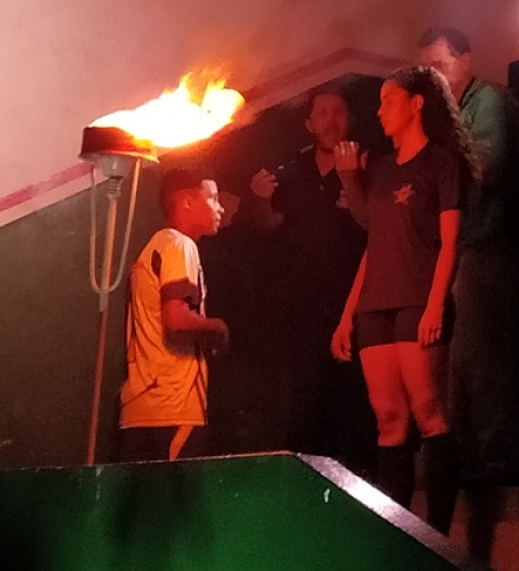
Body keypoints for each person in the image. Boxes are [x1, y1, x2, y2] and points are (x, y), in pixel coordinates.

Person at [331, 67, 472, 534]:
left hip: (417, 299)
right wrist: (347, 316)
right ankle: (399, 533)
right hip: (375, 304)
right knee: (389, 419)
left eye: (388, 100)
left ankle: (438, 534)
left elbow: (450, 243)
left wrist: (436, 305)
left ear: (416, 104)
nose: (379, 111)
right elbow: (373, 241)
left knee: (428, 411)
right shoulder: (380, 167)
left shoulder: (441, 163)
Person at [242, 76, 380, 475]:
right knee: (305, 409)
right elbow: (267, 226)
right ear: (309, 123)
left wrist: (353, 183)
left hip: (353, 307)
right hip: (301, 309)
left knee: (355, 410)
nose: (330, 120)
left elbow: (374, 228)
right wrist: (259, 199)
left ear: (350, 119)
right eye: (322, 113)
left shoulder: (367, 165)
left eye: (338, 112)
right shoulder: (291, 170)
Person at [418, 26, 519, 487]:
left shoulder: (488, 102)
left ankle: (500, 460)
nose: (434, 78)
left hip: (491, 245)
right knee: (459, 361)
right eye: (427, 71)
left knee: (482, 354)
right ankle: (474, 458)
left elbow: (484, 169)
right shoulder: (450, 114)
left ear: (465, 60)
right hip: (462, 248)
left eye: (439, 66)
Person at [116, 168, 229, 463]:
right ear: (187, 202)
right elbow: (176, 319)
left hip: (140, 409)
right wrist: (217, 327)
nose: (220, 208)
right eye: (213, 198)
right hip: (172, 408)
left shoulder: (153, 248)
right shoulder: (180, 245)